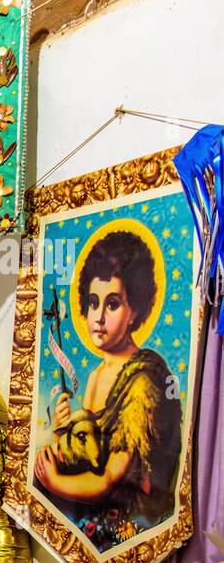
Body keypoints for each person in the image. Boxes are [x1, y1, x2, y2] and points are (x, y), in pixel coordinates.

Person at [33, 229, 182, 542]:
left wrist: (55, 482)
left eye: (112, 304)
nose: (97, 317)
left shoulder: (142, 381)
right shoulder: (96, 375)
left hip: (130, 515)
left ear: (136, 311)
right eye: (93, 302)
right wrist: (64, 428)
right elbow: (91, 451)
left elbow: (111, 478)